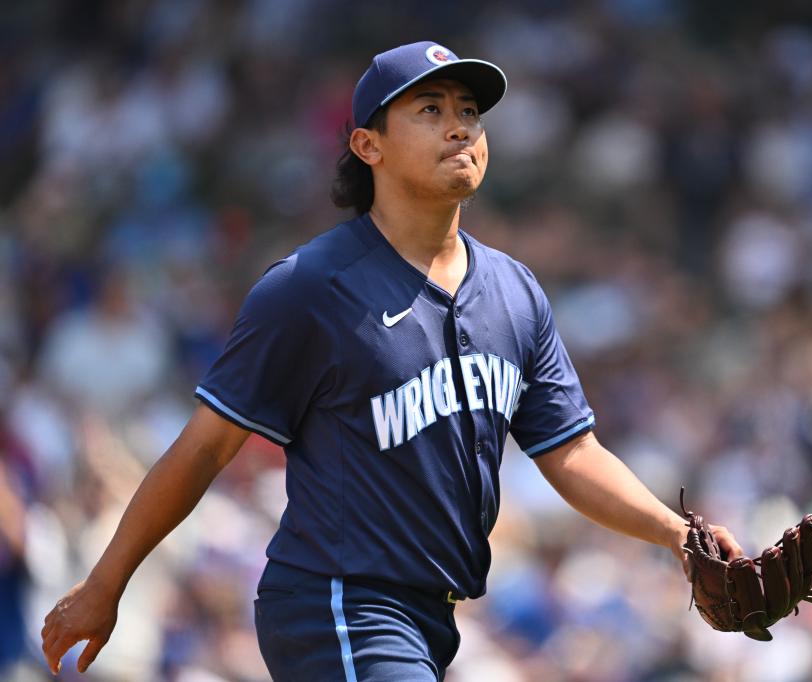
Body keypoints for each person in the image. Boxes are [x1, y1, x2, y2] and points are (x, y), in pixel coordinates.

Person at [41, 41, 742, 680]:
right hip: (335, 601)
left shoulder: (514, 292)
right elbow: (203, 448)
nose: (460, 126)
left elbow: (571, 453)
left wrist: (677, 536)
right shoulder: (311, 287)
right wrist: (106, 585)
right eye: (430, 109)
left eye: (470, 111)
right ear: (367, 144)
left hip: (433, 618)